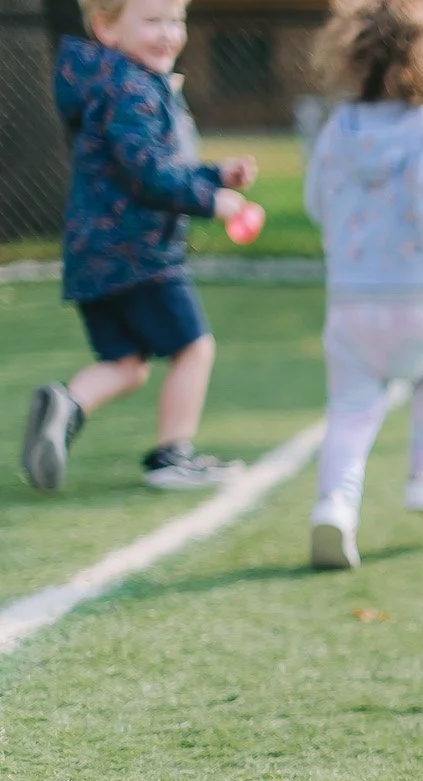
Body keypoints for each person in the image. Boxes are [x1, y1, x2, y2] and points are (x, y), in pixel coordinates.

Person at [18, 0, 255, 492]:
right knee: (194, 348)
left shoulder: (114, 83)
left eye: (176, 21)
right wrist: (212, 199)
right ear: (106, 27)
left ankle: (67, 404)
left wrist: (214, 173)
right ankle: (173, 456)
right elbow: (147, 173)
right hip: (136, 253)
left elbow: (147, 163)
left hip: (94, 254)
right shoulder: (131, 88)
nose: (168, 34)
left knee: (125, 365)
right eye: (152, 22)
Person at [301, 0, 423, 571]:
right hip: (415, 292)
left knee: (349, 408)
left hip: (350, 294)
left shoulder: (338, 127)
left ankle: (334, 505)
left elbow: (316, 200)